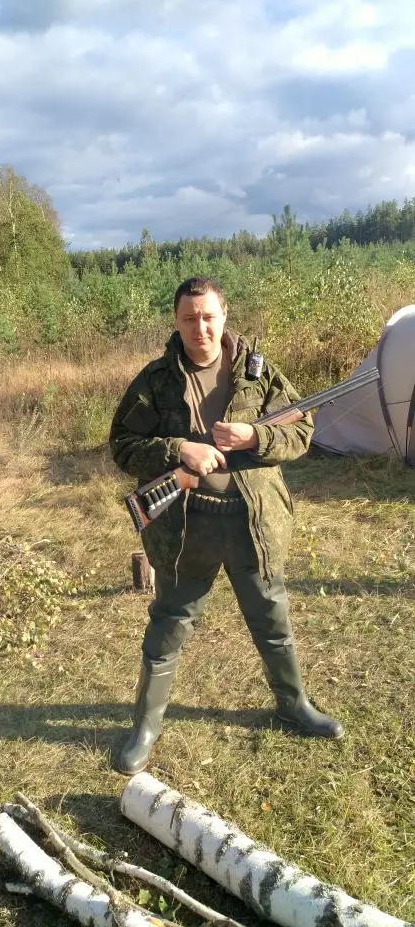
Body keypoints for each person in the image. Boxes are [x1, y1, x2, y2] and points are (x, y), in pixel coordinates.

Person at [109, 276, 344, 776]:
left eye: (208, 317)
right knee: (169, 624)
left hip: (251, 524)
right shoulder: (155, 380)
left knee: (271, 619)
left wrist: (255, 436)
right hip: (186, 528)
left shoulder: (258, 373)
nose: (201, 328)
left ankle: (293, 705)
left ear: (224, 315)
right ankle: (146, 727)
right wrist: (179, 450)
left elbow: (301, 431)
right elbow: (123, 446)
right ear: (176, 322)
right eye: (189, 319)